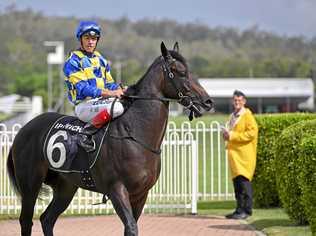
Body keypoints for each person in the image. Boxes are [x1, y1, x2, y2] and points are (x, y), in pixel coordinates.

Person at [63, 21, 125, 152]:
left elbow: (109, 84)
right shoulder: (73, 61)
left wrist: (121, 89)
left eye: (94, 39)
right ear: (80, 39)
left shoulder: (100, 59)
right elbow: (84, 89)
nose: (90, 42)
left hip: (100, 102)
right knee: (118, 107)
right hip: (84, 105)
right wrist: (110, 94)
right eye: (87, 38)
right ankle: (85, 134)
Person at [221, 90, 258, 219]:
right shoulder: (232, 116)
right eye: (235, 100)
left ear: (244, 101)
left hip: (244, 156)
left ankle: (247, 211)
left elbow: (252, 133)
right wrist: (226, 135)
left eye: (239, 100)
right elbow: (231, 133)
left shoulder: (247, 115)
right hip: (234, 156)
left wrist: (232, 135)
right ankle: (238, 210)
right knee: (237, 185)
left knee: (244, 184)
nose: (237, 102)